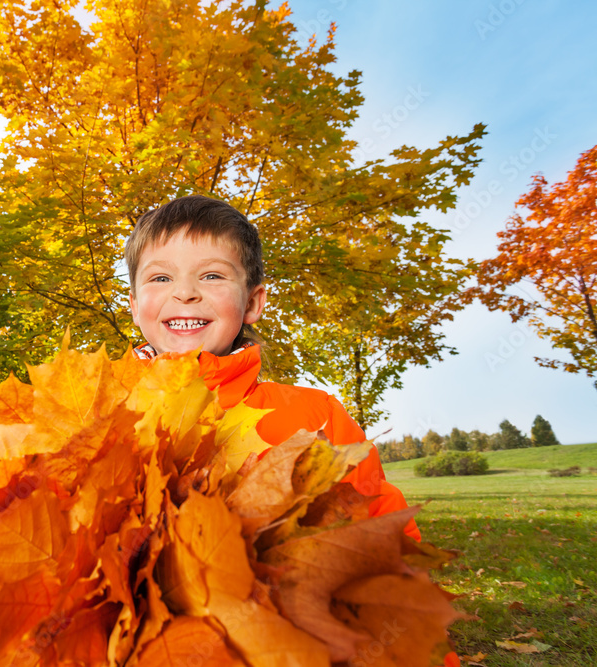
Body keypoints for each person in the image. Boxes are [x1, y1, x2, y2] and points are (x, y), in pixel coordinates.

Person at [124, 194, 419, 539]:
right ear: (134, 304)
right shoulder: (90, 411)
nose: (186, 292)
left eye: (212, 276)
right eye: (161, 278)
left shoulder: (317, 420)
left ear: (252, 302)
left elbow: (383, 538)